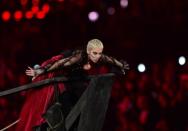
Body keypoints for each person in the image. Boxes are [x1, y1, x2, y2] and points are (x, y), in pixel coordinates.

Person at [15, 39, 129, 131]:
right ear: (89, 52)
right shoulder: (79, 57)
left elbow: (111, 60)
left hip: (75, 76)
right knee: (63, 98)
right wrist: (41, 71)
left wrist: (121, 65)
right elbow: (60, 64)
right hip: (61, 70)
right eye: (95, 53)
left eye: (100, 53)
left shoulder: (99, 57)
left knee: (81, 92)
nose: (98, 56)